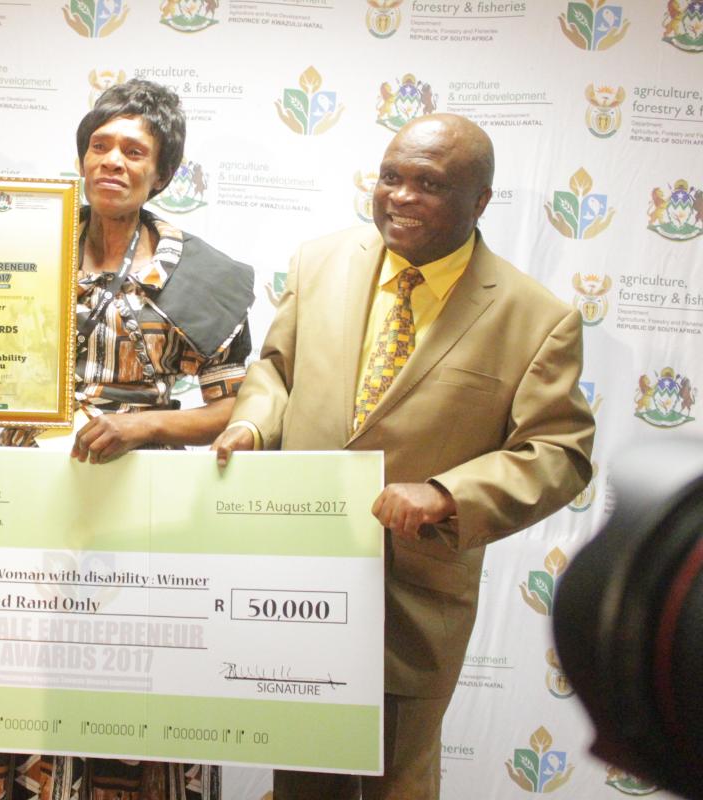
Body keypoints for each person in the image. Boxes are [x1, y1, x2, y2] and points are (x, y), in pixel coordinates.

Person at [212, 113, 595, 799]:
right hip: (300, 578)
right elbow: (276, 370)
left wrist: (449, 495)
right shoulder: (319, 260)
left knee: (399, 783)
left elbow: (559, 452)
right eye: (391, 176)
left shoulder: (536, 317)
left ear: (480, 201)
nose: (401, 197)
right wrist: (252, 426)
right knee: (303, 778)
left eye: (429, 183)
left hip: (414, 595)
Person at [0, 80, 254, 800]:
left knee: (123, 685)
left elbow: (236, 410)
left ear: (162, 174)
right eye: (99, 145)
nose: (113, 160)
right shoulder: (18, 249)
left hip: (134, 515)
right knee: (3, 677)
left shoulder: (203, 275)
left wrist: (144, 425)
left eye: (134, 150)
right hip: (22, 505)